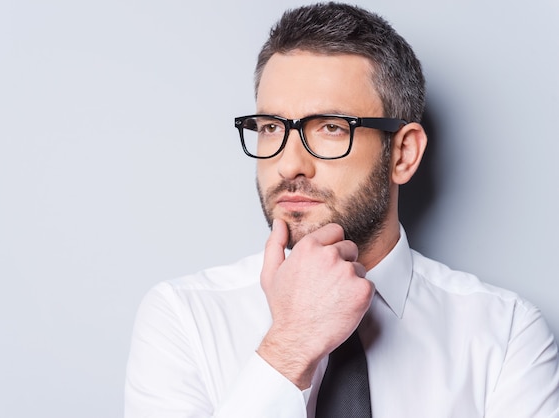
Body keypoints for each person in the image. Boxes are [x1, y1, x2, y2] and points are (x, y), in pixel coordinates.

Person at [124, 3, 559, 417]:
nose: (290, 162)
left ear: (403, 153)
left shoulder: (504, 335)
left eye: (331, 128)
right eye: (272, 128)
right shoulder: (184, 317)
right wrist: (289, 345)